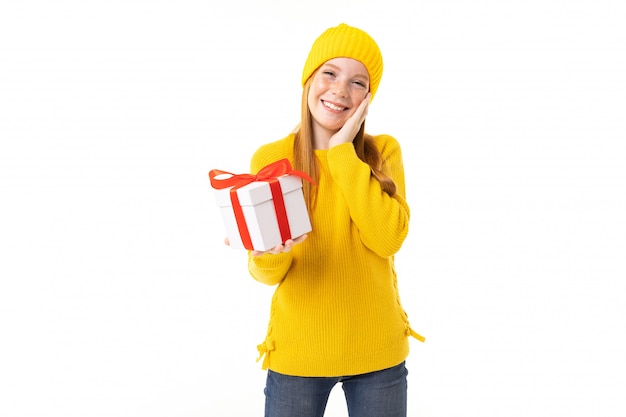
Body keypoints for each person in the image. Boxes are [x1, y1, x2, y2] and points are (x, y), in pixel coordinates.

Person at [238, 23, 424, 417]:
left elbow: (388, 238)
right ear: (308, 79)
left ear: (368, 98)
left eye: (358, 82)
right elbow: (269, 273)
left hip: (377, 351)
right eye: (330, 73)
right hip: (298, 353)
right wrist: (266, 253)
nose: (341, 90)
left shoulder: (382, 152)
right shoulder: (272, 160)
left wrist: (342, 152)